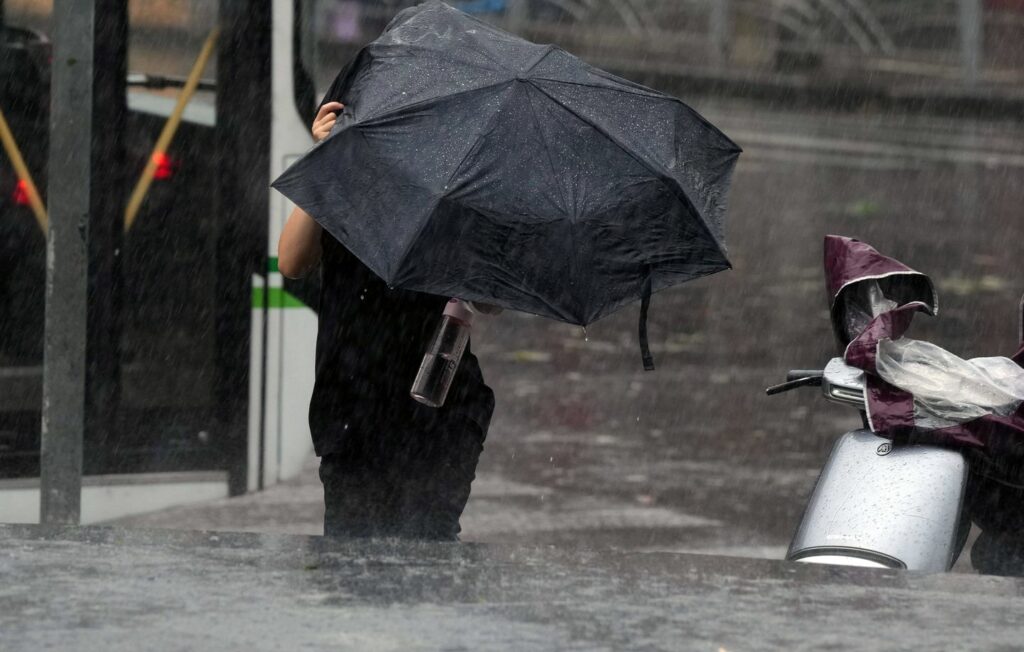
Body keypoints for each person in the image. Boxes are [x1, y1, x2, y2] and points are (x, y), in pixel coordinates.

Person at [278, 100, 495, 541]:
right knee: (351, 564)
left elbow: (492, 300)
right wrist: (325, 159)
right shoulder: (343, 181)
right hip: (352, 411)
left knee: (428, 558)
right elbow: (292, 261)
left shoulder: (455, 187)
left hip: (438, 412)